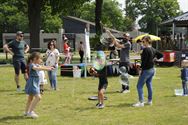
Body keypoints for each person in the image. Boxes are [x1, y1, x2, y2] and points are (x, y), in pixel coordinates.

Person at [133, 36, 163, 107]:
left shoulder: (146, 50)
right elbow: (161, 55)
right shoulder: (153, 49)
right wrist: (154, 59)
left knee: (139, 86)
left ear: (147, 41)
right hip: (152, 70)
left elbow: (144, 62)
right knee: (149, 84)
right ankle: (150, 101)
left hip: (146, 70)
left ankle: (141, 102)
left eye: (143, 41)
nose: (142, 43)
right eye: (142, 41)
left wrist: (140, 70)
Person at [24, 52, 54, 118]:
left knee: (30, 98)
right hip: (32, 83)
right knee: (38, 97)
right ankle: (30, 112)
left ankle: (26, 112)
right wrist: (48, 69)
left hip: (34, 83)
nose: (41, 60)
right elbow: (38, 68)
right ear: (35, 59)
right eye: (40, 58)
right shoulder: (32, 65)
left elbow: (42, 66)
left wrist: (50, 67)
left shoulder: (36, 64)